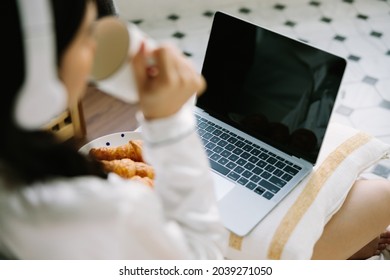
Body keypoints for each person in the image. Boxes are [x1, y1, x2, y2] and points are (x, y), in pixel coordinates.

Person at [0, 0, 389, 260]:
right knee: (381, 193)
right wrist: (169, 122)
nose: (93, 52)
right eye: (87, 37)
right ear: (36, 78)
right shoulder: (98, 210)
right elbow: (204, 255)